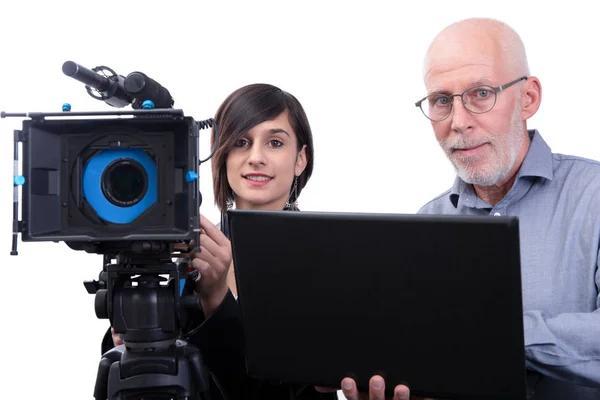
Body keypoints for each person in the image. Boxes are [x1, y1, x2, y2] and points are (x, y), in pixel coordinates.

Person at [103, 83, 412, 400]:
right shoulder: (183, 252)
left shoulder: (329, 263)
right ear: (221, 156)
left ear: (300, 159)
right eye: (240, 142)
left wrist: (216, 299)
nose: (255, 158)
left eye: (275, 142)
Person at [414, 18, 600, 399]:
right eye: (441, 101)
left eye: (481, 93)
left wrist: (498, 334)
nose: (459, 123)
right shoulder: (422, 227)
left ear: (528, 98)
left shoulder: (595, 197)